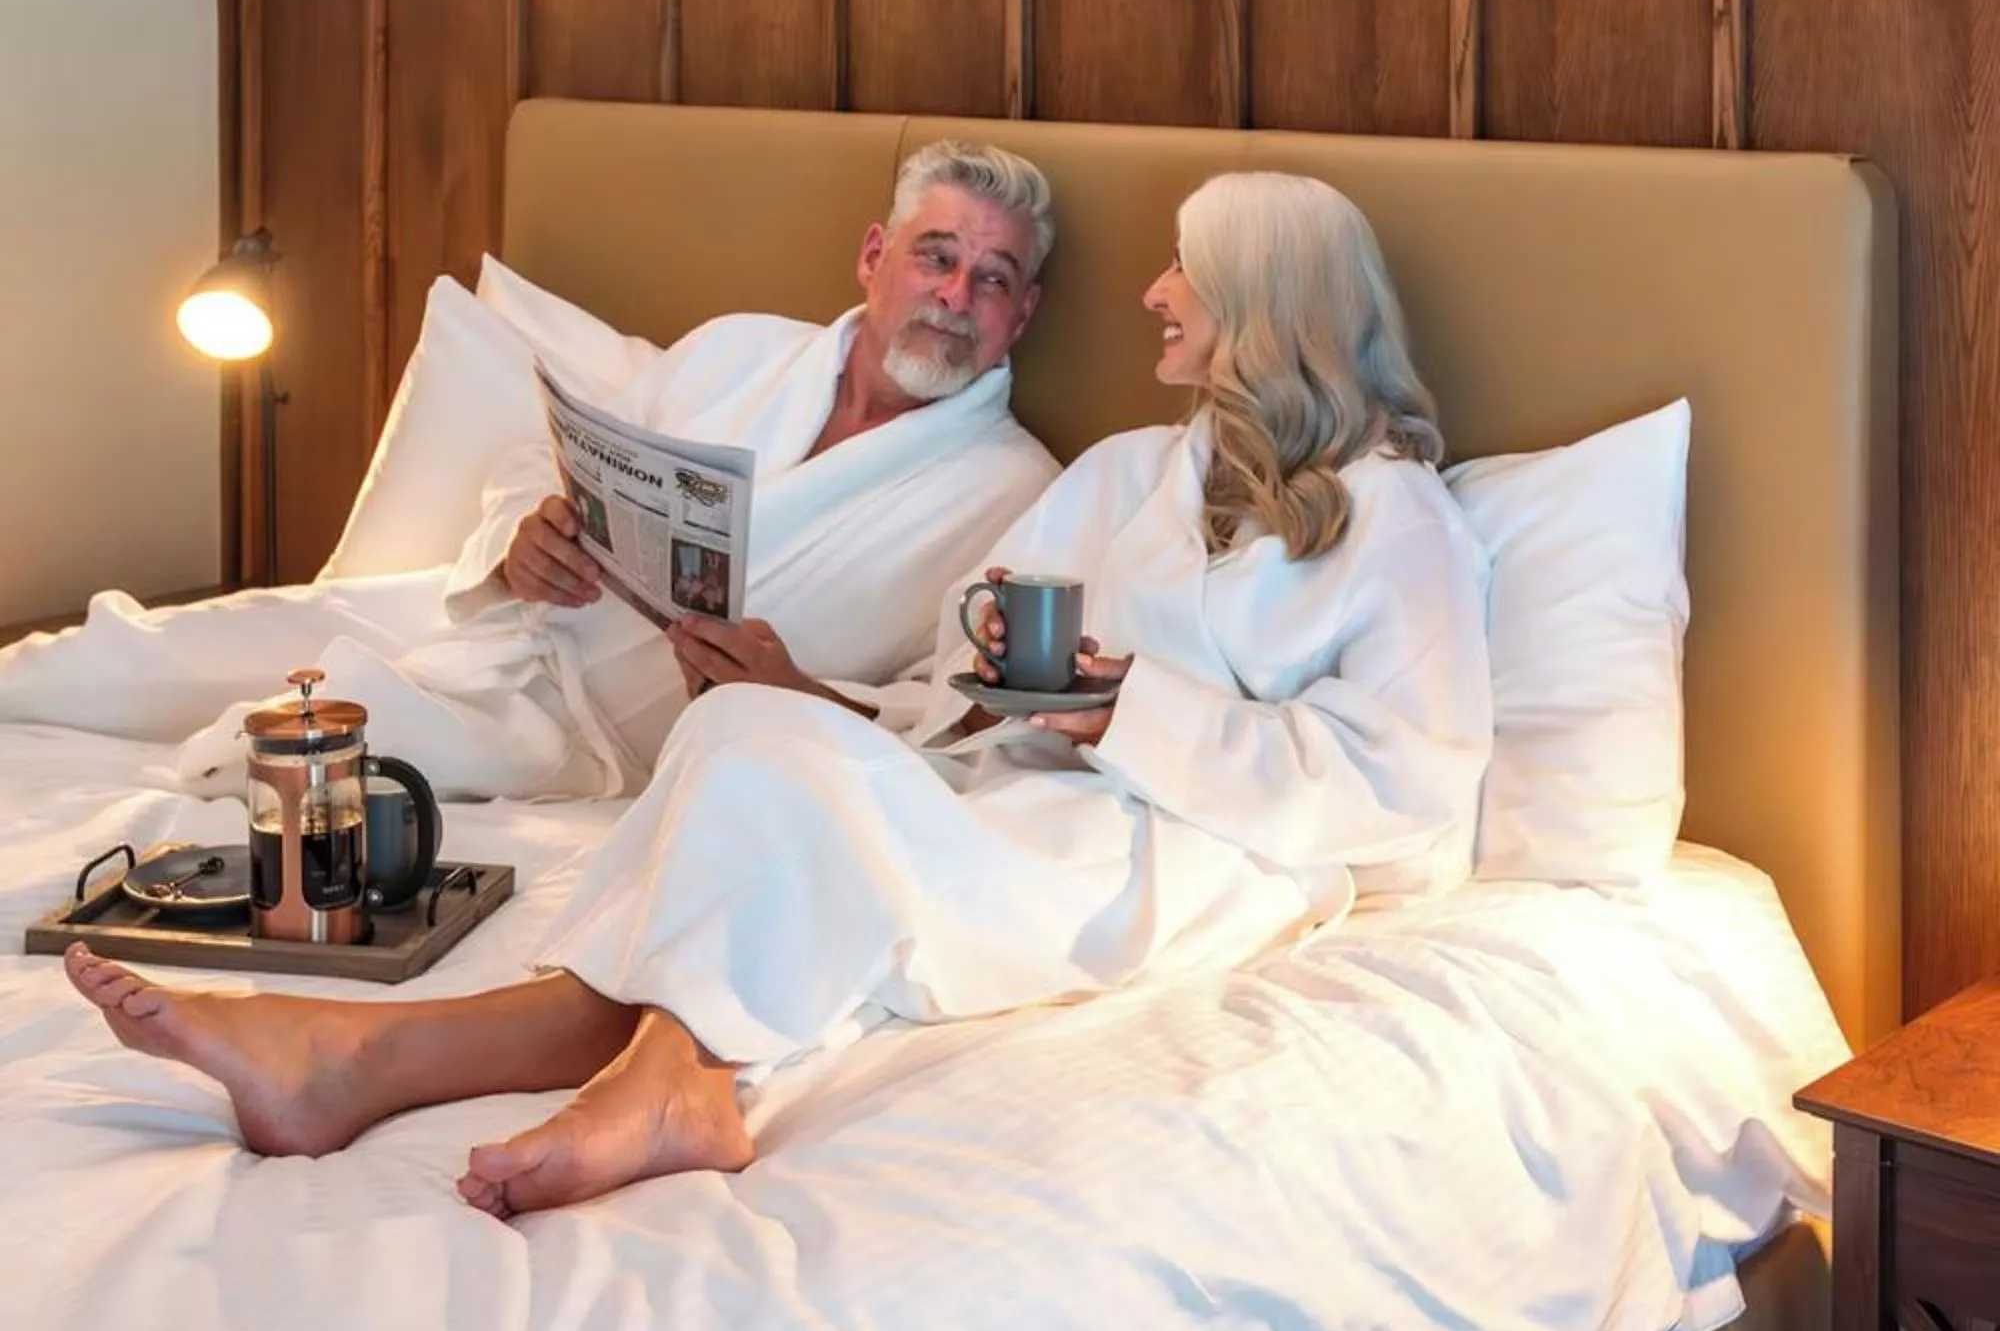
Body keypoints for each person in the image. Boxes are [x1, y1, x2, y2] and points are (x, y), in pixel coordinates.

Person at [66, 173, 1494, 1214]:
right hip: (1015, 788)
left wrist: (1141, 716)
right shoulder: (1130, 471)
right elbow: (954, 678)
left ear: (1264, 302)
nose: (1154, 293)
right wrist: (963, 689)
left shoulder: (1395, 519)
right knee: (753, 731)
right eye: (936, 259)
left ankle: (380, 1055)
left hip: (1179, 848)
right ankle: (639, 1075)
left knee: (781, 786)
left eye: (1183, 268)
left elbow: (1415, 788)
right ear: (875, 255)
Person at [0, 142, 1059, 798]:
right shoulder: (739, 350)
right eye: (935, 255)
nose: (954, 294)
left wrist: (801, 697)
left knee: (278, 749)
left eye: (992, 277)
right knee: (115, 657)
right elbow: (538, 456)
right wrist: (526, 535)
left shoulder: (1013, 492)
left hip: (580, 748)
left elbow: (961, 723)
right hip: (493, 629)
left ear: (1023, 315)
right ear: (874, 257)